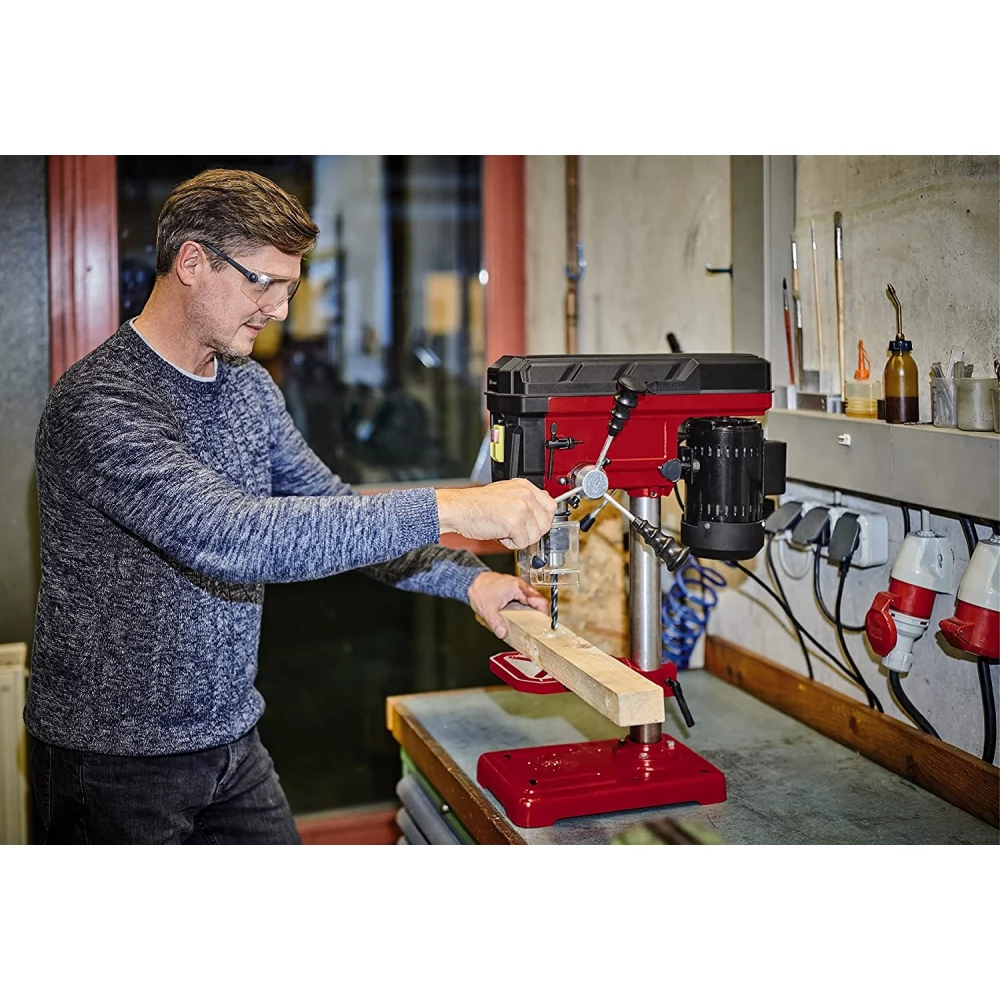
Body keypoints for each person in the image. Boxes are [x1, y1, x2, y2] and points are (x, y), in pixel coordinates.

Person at [25, 168, 556, 845]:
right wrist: (451, 507)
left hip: (231, 740)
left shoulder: (248, 388)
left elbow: (328, 510)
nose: (279, 310)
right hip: (110, 763)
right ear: (192, 262)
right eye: (263, 283)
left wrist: (469, 580)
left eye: (290, 288)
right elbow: (233, 537)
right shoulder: (100, 403)